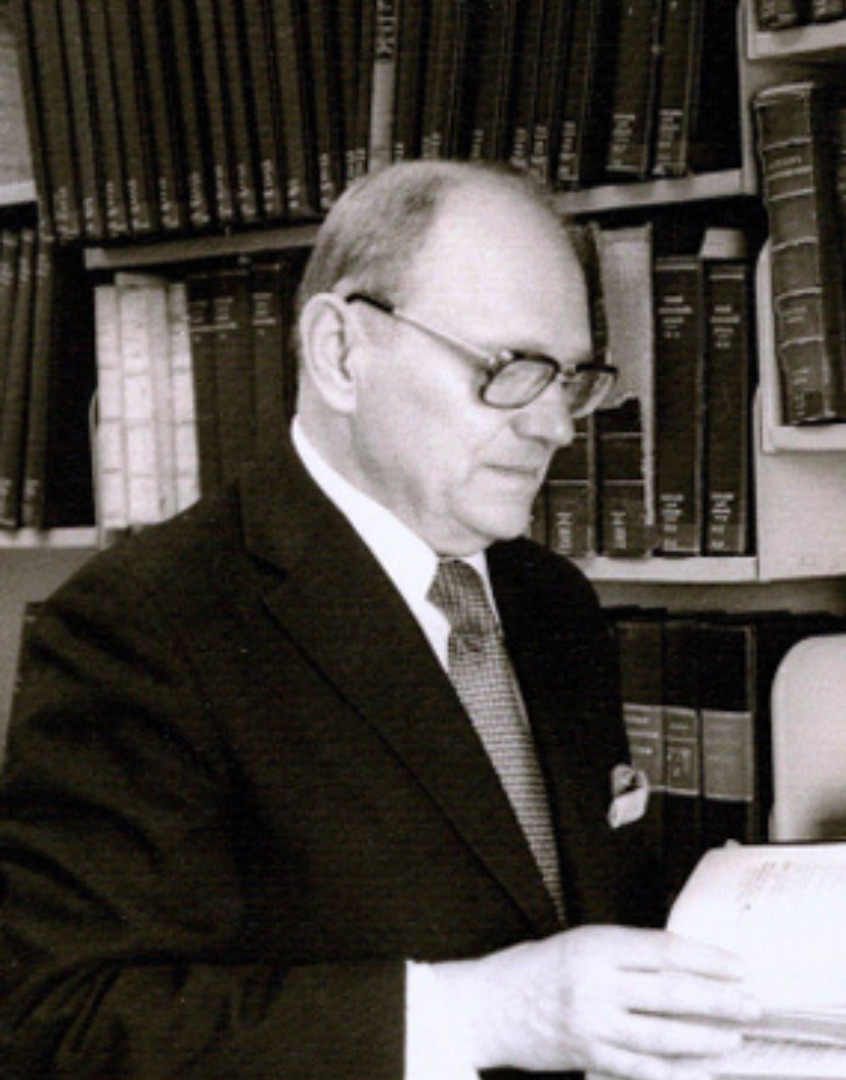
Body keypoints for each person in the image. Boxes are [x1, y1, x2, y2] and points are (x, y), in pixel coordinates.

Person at [0, 161, 759, 1080]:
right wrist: (478, 1016)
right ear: (341, 354)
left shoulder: (551, 601)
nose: (556, 425)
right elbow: (60, 1028)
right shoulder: (144, 622)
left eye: (573, 377)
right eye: (511, 369)